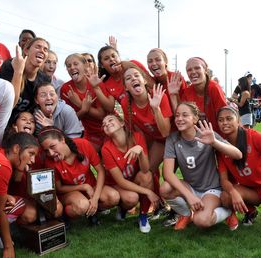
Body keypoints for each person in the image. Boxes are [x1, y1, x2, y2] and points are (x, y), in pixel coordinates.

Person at [160, 102, 242, 231]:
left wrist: (214, 142)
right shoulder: (173, 139)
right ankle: (186, 214)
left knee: (201, 221)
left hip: (212, 189)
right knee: (165, 188)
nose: (180, 119)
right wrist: (189, 196)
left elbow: (238, 154)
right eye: (177, 116)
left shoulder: (206, 134)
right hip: (192, 187)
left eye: (185, 115)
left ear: (195, 119)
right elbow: (168, 173)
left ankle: (228, 211)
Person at [121, 61, 172, 219]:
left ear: (143, 80)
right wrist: (137, 148)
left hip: (168, 138)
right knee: (147, 171)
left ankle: (161, 203)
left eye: (136, 75)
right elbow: (132, 129)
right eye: (128, 78)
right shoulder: (125, 102)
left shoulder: (158, 95)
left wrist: (155, 108)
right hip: (150, 137)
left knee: (152, 170)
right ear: (126, 87)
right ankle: (156, 204)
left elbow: (165, 132)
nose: (133, 78)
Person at [38, 126, 120, 224]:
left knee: (113, 197)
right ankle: (66, 215)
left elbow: (100, 171)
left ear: (62, 140)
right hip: (70, 193)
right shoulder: (50, 162)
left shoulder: (83, 144)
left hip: (91, 188)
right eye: (46, 150)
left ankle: (93, 210)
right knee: (82, 205)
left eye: (52, 146)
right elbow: (59, 188)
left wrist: (95, 198)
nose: (50, 153)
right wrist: (83, 187)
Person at [101, 114, 160, 233]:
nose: (106, 124)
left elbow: (145, 169)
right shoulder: (106, 149)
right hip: (116, 184)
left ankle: (143, 216)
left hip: (133, 179)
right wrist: (148, 192)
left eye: (110, 120)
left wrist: (141, 151)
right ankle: (123, 208)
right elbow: (120, 181)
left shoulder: (137, 137)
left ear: (122, 123)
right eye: (104, 124)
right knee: (131, 198)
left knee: (147, 175)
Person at [169, 57, 227, 135]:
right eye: (189, 70)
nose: (193, 72)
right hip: (197, 138)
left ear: (205, 70)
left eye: (197, 68)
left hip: (217, 136)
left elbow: (224, 116)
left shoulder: (214, 88)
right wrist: (173, 94)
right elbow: (181, 117)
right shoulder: (187, 92)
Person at [0, 37, 51, 122]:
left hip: (25, 122)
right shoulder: (10, 66)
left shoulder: (44, 79)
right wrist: (18, 72)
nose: (42, 51)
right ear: (26, 51)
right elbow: (8, 104)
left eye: (45, 50)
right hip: (2, 118)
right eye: (38, 47)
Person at [60, 53, 106, 150]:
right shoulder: (66, 88)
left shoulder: (94, 82)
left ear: (85, 66)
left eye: (76, 64)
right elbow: (71, 120)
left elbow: (102, 115)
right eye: (68, 66)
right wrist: (83, 110)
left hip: (108, 127)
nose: (72, 67)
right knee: (82, 155)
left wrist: (79, 104)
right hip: (90, 133)